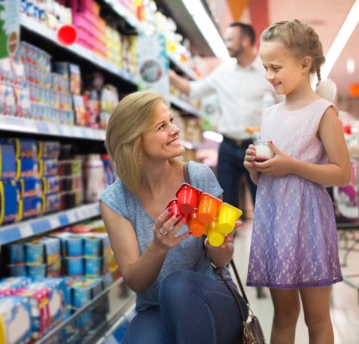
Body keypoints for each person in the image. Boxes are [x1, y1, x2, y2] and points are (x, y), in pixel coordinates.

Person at [99, 90, 247, 344]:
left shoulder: (197, 177)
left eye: (171, 121)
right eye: (161, 126)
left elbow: (221, 260)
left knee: (176, 286)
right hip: (154, 307)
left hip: (212, 298)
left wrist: (219, 244)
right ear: (135, 143)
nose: (175, 130)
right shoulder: (116, 201)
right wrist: (158, 247)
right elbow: (136, 281)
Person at [243, 19, 351, 344]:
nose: (269, 75)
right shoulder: (270, 115)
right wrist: (255, 169)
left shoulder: (323, 112)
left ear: (305, 64)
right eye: (265, 67)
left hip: (310, 223)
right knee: (283, 315)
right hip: (275, 221)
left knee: (317, 317)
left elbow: (342, 172)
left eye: (275, 67)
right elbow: (268, 179)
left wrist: (291, 164)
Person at [169, 21, 279, 299]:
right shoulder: (223, 73)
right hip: (229, 148)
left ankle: (267, 274)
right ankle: (223, 279)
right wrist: (165, 73)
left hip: (259, 148)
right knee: (222, 217)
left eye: (230, 38)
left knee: (264, 213)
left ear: (245, 41)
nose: (227, 42)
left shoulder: (266, 72)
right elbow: (192, 91)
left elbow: (284, 101)